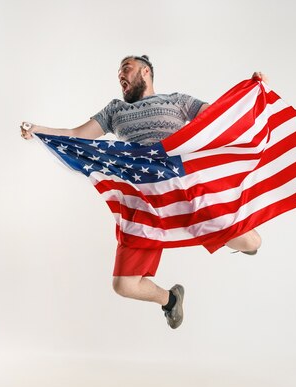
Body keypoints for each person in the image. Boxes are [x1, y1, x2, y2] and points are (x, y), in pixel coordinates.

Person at [21, 55, 267, 329]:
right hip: (141, 201)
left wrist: (254, 91)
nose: (120, 76)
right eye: (118, 74)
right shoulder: (114, 110)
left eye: (125, 68)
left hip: (183, 188)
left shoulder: (176, 100)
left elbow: (222, 114)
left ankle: (226, 232)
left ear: (145, 71)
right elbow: (76, 133)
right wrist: (39, 130)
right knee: (124, 285)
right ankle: (170, 299)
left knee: (251, 242)